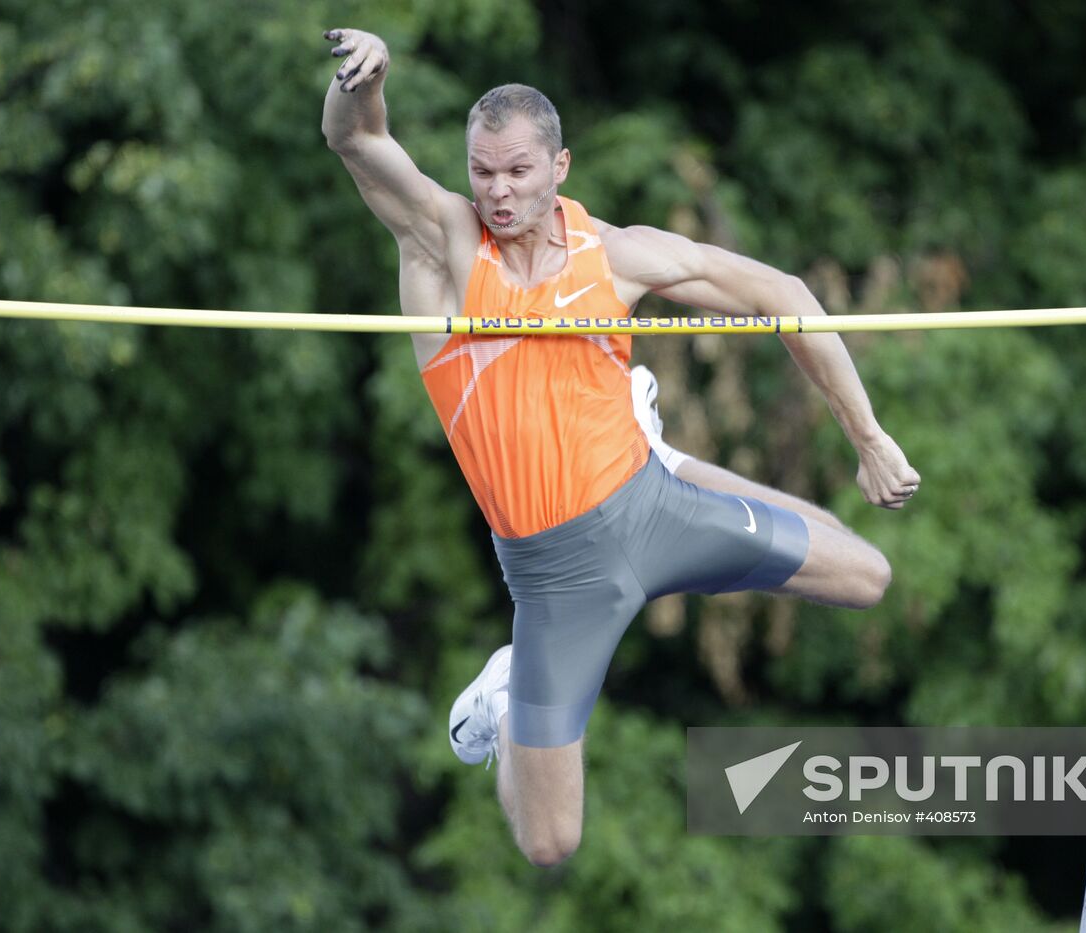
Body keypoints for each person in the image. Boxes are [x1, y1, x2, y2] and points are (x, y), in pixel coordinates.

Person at [321, 28, 921, 868]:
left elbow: (782, 295)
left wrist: (868, 436)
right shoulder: (444, 245)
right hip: (558, 576)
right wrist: (367, 79)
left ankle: (663, 455)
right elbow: (356, 138)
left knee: (869, 575)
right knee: (550, 842)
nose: (497, 191)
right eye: (482, 171)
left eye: (518, 171)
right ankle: (506, 694)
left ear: (558, 168)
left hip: (654, 509)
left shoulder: (621, 256)